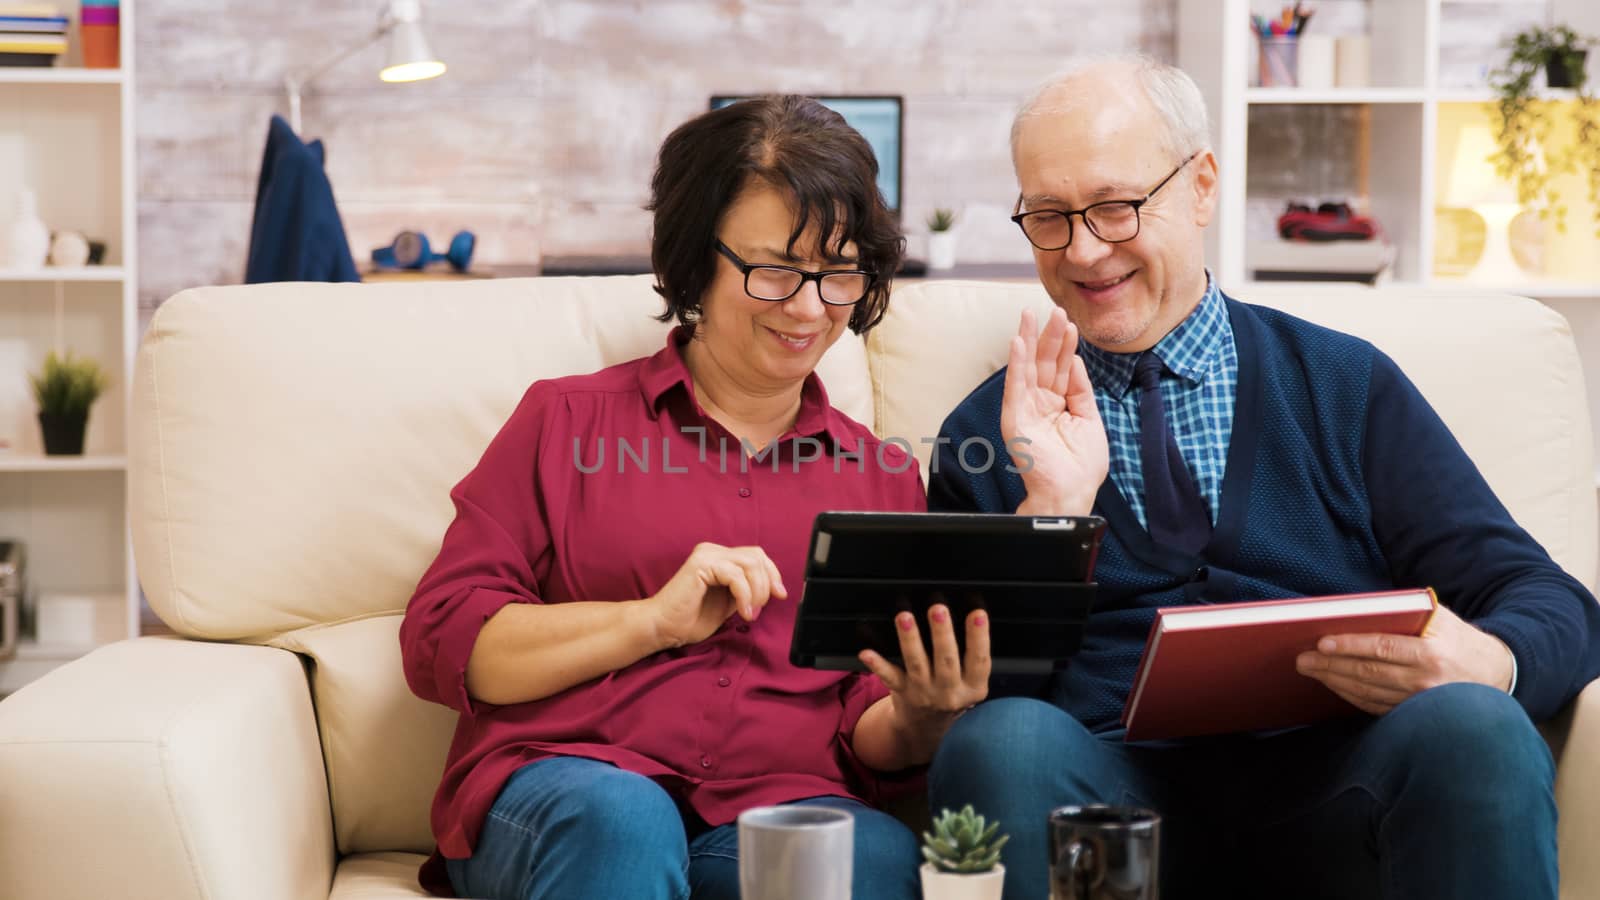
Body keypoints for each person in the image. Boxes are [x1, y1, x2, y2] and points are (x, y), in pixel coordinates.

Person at [924, 55, 1600, 900]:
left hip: (1340, 793)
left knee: (1474, 724)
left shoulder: (1344, 387)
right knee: (1002, 742)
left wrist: (1490, 661)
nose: (1084, 250)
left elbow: (1555, 602)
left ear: (1201, 185)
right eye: (1051, 217)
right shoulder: (983, 436)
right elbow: (969, 703)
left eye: (1114, 207)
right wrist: (1051, 516)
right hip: (1104, 801)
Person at [399, 95, 990, 900]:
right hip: (568, 789)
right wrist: (646, 621)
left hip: (773, 805)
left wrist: (925, 713)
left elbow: (864, 718)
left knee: (874, 860)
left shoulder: (880, 477)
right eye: (776, 269)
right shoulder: (565, 422)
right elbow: (441, 642)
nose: (810, 307)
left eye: (838, 270)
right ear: (693, 261)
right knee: (623, 823)